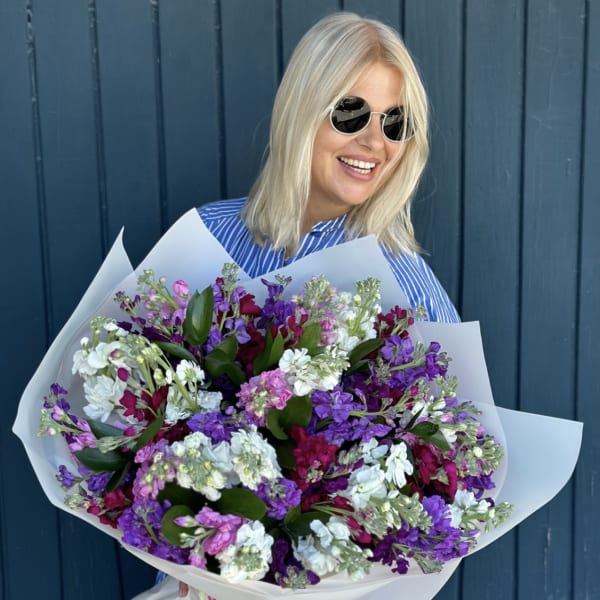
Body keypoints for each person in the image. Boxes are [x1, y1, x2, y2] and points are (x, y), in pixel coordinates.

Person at [136, 10, 458, 600]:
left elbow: (450, 461)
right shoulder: (205, 237)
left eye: (395, 122)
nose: (374, 142)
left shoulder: (407, 287)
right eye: (350, 113)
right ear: (303, 110)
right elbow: (140, 421)